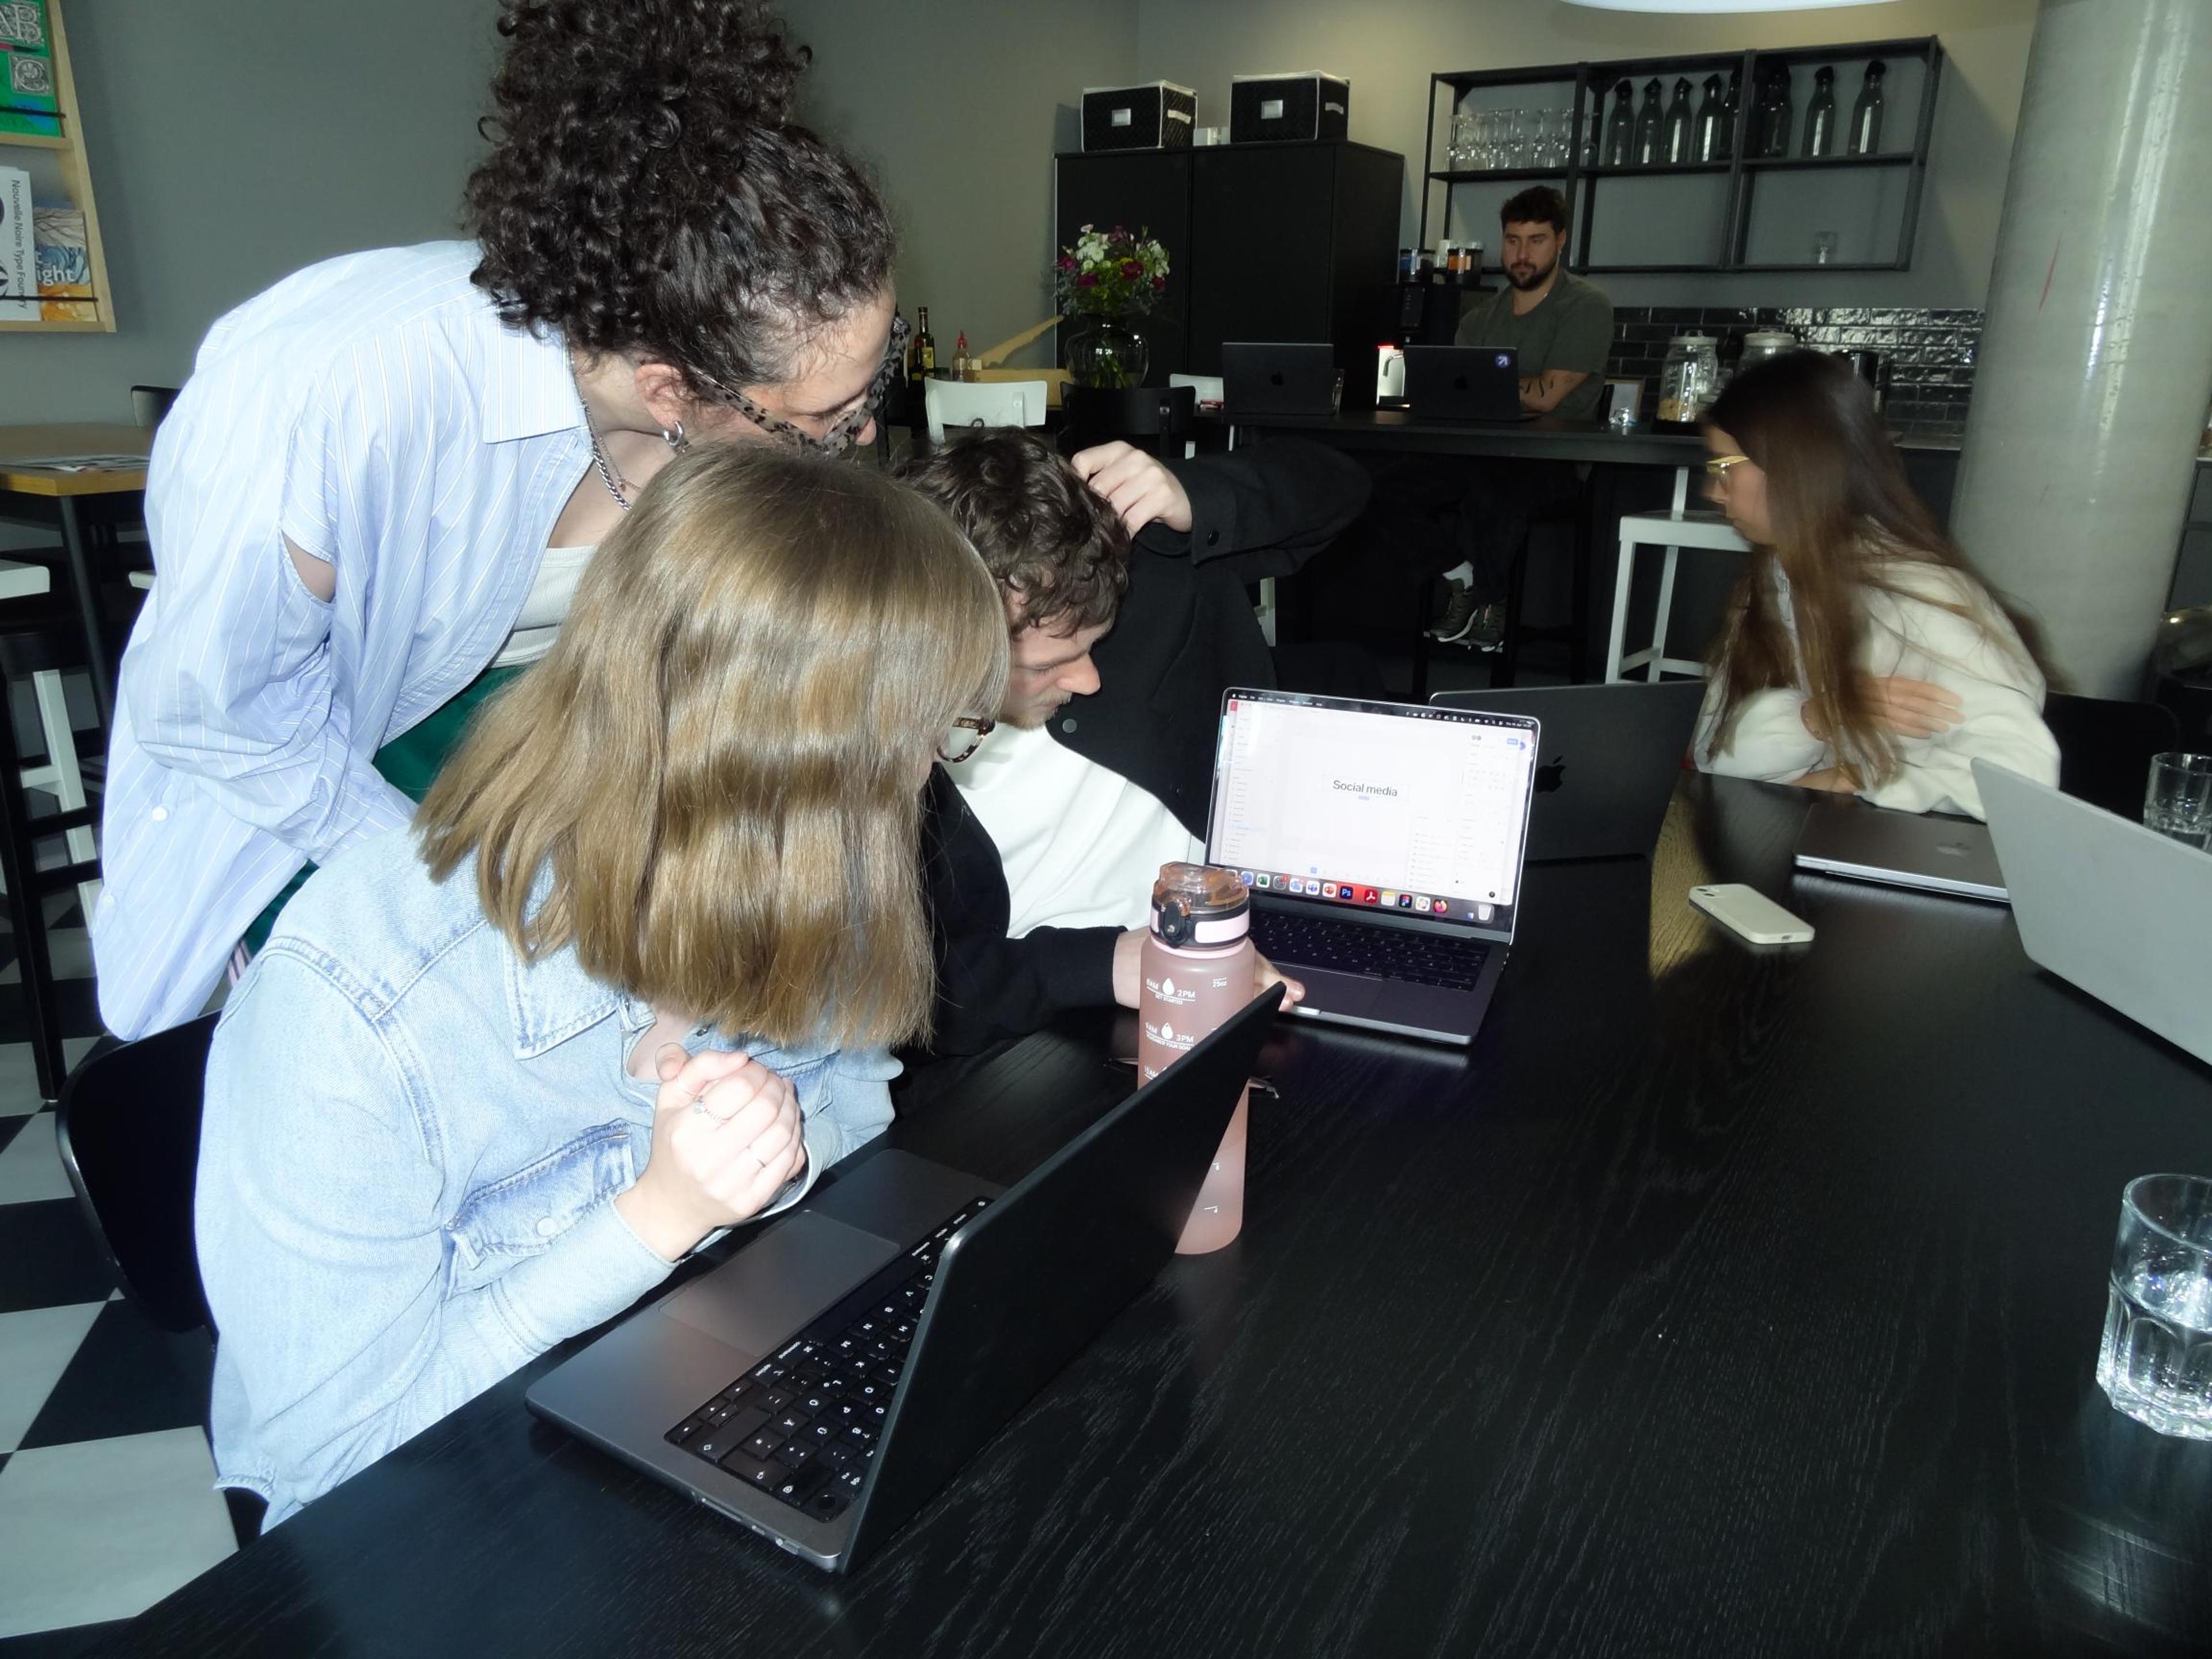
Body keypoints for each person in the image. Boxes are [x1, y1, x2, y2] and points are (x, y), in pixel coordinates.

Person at [195, 444, 1008, 1528]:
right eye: (915, 738)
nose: (926, 774)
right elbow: (328, 1466)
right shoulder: (356, 1012)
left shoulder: (800, 876)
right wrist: (652, 1220)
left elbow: (856, 1129)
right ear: (784, 769)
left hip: (678, 1419)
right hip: (454, 1522)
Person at [96, 0, 906, 1037]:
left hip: (518, 764)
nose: (861, 440)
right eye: (827, 420)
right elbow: (217, 711)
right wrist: (460, 902)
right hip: (306, 780)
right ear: (670, 391)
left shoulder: (701, 415)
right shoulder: (350, 392)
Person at [904, 431, 1366, 1055]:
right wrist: (1107, 964)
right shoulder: (883, 743)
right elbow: (913, 998)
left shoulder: (1127, 576)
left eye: (1094, 645)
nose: (1089, 680)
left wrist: (1194, 494)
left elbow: (1338, 486)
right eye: (1047, 666)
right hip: (1043, 1025)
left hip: (1243, 940)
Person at [1695, 350, 2059, 820]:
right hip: (1823, 839)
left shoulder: (1919, 596)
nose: (1713, 490)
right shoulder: (1773, 579)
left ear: (1793, 467)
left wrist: (1857, 784)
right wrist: (1817, 717)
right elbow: (1711, 751)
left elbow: (2019, 777)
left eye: (1725, 468)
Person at [1426, 184, 1616, 647]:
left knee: (1494, 485)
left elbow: (1549, 395)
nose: (1522, 254)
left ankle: (1494, 600)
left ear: (1560, 241)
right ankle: (1464, 579)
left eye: (1536, 240)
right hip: (1480, 452)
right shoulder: (1480, 318)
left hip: (1554, 462)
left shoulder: (1585, 306)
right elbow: (1454, 395)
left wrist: (1482, 387)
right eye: (1513, 241)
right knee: (1383, 480)